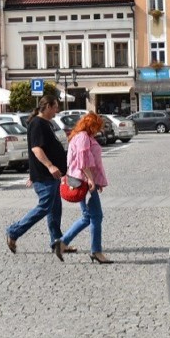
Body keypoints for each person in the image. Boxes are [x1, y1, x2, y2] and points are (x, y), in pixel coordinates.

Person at [5, 94, 71, 258]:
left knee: (55, 210)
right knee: (44, 208)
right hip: (45, 176)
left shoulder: (46, 124)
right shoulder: (37, 124)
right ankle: (13, 231)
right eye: (55, 106)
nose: (57, 110)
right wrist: (50, 166)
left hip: (51, 176)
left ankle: (57, 242)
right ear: (48, 106)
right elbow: (36, 149)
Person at [53, 112, 111, 264]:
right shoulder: (83, 137)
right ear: (90, 125)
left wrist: (96, 180)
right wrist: (92, 180)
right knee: (95, 216)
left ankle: (63, 243)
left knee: (88, 217)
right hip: (84, 182)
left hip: (84, 181)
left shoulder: (82, 136)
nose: (98, 130)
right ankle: (95, 251)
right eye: (96, 127)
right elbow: (83, 162)